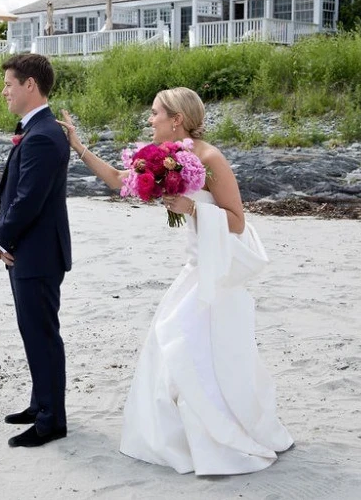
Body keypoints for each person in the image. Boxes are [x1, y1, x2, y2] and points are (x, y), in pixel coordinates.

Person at [58, 87, 294, 475]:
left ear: (176, 120)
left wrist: (191, 209)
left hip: (214, 271)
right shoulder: (162, 158)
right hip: (193, 267)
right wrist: (78, 146)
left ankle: (222, 436)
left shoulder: (210, 158)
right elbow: (120, 181)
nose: (149, 120)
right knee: (173, 347)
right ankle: (183, 435)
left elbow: (236, 220)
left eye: (155, 114)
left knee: (189, 346)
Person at [0, 54, 72, 448]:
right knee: (33, 331)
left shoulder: (41, 134)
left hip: (36, 253)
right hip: (30, 250)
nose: (3, 91)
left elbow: (28, 200)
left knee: (41, 334)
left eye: (8, 84)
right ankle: (41, 404)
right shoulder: (39, 128)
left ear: (29, 86)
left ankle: (52, 420)